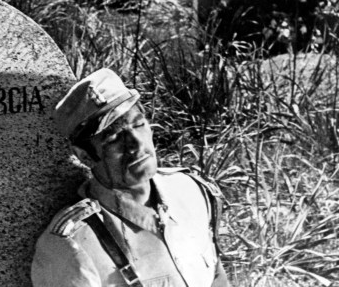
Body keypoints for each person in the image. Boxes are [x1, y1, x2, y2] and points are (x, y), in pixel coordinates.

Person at [31, 69, 229, 287]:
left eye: (138, 124)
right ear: (85, 156)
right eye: (115, 138)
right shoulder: (73, 244)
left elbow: (216, 276)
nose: (135, 144)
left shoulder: (191, 190)